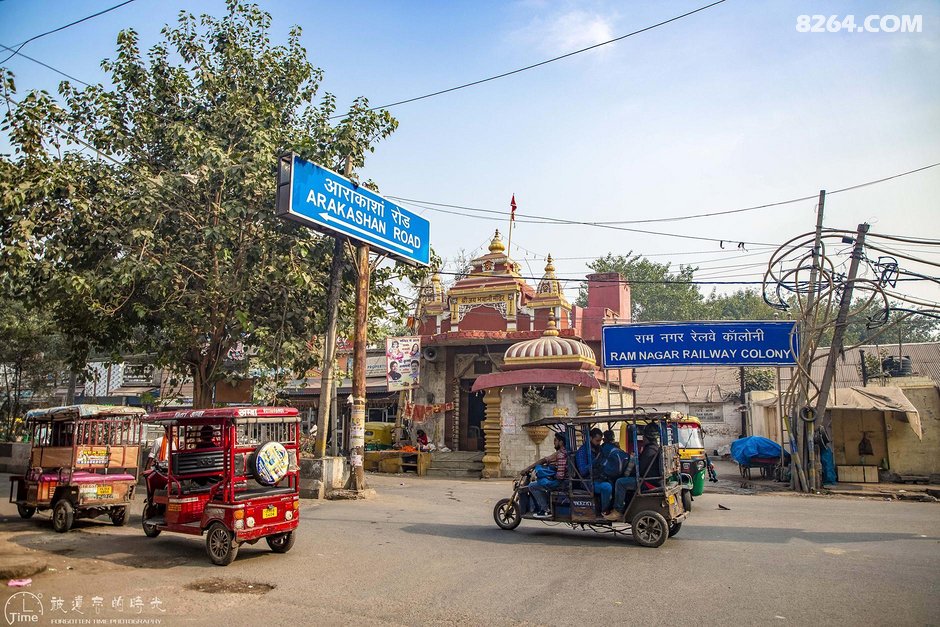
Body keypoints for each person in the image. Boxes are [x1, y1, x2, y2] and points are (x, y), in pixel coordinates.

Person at [524, 432, 568, 519]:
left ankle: (545, 510)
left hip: (561, 483)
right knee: (541, 483)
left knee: (532, 486)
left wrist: (551, 476)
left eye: (556, 440)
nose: (554, 442)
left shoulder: (561, 454)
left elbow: (560, 476)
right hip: (564, 481)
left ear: (561, 442)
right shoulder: (565, 452)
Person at [574, 427, 612, 515]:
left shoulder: (599, 448)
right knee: (606, 487)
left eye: (600, 441)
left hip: (599, 477)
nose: (599, 443)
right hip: (587, 481)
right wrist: (595, 461)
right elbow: (583, 471)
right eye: (597, 441)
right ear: (590, 438)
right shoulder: (582, 451)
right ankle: (604, 511)